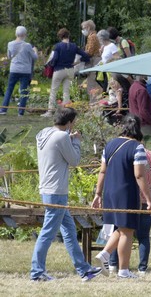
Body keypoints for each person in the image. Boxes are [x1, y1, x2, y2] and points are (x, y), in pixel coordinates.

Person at [30, 107, 102, 282]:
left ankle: (84, 270)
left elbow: (56, 148)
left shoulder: (45, 133)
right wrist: (76, 141)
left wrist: (68, 139)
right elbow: (75, 160)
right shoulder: (62, 136)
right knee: (48, 232)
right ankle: (37, 272)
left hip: (48, 189)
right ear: (69, 123)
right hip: (56, 191)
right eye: (73, 123)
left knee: (69, 230)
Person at [92, 115, 151, 279]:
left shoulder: (110, 144)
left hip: (109, 192)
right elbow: (139, 176)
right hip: (126, 192)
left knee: (121, 227)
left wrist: (98, 194)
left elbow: (102, 171)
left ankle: (105, 254)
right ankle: (124, 270)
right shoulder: (137, 147)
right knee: (127, 231)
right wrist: (148, 199)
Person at [109, 140, 151, 275]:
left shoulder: (127, 153)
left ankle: (113, 265)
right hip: (149, 200)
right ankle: (142, 268)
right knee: (144, 236)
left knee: (119, 231)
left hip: (128, 200)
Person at [43, 28, 90, 117]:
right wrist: (77, 62)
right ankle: (65, 112)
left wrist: (49, 65)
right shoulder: (74, 46)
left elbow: (55, 59)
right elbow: (86, 56)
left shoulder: (58, 46)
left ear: (60, 36)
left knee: (54, 90)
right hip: (70, 70)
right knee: (66, 91)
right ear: (68, 35)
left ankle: (50, 111)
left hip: (59, 70)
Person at [1, 26, 37, 116]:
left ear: (16, 34)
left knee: (9, 89)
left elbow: (9, 57)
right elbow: (35, 58)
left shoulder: (10, 44)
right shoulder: (27, 45)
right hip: (25, 71)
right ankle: (20, 112)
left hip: (14, 69)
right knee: (24, 91)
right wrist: (35, 51)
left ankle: (3, 109)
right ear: (24, 34)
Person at [81, 20, 101, 101]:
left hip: (94, 60)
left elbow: (90, 52)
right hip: (95, 60)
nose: (83, 30)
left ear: (88, 27)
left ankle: (93, 104)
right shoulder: (93, 36)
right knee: (92, 83)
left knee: (92, 83)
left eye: (83, 28)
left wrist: (81, 55)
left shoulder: (92, 37)